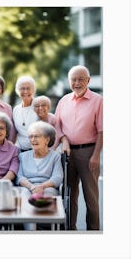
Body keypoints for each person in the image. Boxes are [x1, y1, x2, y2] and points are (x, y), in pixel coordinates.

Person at [55, 65, 103, 230]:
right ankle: (70, 231)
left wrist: (96, 156)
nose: (77, 83)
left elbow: (102, 131)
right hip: (67, 153)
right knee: (69, 195)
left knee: (91, 197)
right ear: (69, 81)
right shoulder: (63, 101)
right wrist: (64, 139)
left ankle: (93, 232)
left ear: (88, 80)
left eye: (81, 79)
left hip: (88, 152)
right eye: (73, 79)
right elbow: (57, 126)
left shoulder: (98, 100)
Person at [16, 121, 63, 230]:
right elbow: (20, 177)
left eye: (36, 136)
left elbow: (57, 177)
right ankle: (30, 230)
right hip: (28, 187)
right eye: (31, 137)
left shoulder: (55, 156)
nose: (33, 140)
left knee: (48, 195)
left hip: (48, 187)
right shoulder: (23, 156)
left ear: (47, 139)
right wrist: (31, 187)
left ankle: (45, 228)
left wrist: (42, 186)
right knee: (23, 194)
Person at [13, 75, 38, 151]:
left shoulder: (39, 107)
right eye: (22, 89)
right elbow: (14, 132)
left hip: (36, 150)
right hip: (19, 150)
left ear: (33, 90)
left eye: (28, 88)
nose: (25, 91)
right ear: (18, 91)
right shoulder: (16, 110)